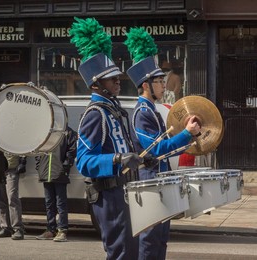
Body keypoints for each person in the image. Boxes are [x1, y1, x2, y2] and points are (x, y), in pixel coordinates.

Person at [69, 17, 157, 260]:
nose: (118, 81)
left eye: (117, 77)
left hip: (125, 192)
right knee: (121, 254)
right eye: (112, 79)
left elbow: (125, 147)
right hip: (109, 196)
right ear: (96, 84)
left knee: (131, 252)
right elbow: (84, 161)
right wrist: (117, 159)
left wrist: (141, 157)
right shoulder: (95, 114)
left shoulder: (115, 110)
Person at [125, 27, 201, 260]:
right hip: (149, 181)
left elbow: (167, 144)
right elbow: (155, 150)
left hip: (160, 179)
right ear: (146, 85)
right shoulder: (141, 112)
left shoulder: (153, 110)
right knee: (150, 241)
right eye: (159, 81)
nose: (164, 85)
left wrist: (191, 137)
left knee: (161, 240)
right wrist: (186, 134)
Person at [35, 126, 77, 242]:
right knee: (49, 203)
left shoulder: (68, 132)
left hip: (59, 172)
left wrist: (65, 166)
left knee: (61, 203)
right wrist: (39, 166)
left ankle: (62, 230)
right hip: (45, 172)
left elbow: (72, 151)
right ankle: (50, 229)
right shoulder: (44, 129)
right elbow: (38, 149)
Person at [0, 154, 26, 240]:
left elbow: (22, 149)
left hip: (12, 168)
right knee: (1, 199)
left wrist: (22, 162)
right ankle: (5, 227)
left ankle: (18, 229)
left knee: (12, 198)